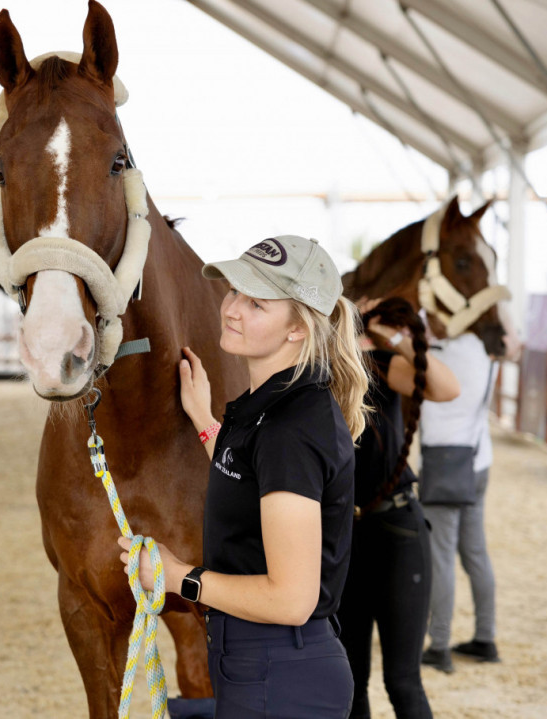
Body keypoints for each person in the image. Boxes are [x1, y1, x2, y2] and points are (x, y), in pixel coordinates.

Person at [118, 236, 369, 718]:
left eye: (256, 303)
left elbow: (292, 599)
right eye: (234, 291)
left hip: (282, 670)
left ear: (298, 328)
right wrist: (204, 420)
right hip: (262, 661)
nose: (231, 308)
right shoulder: (275, 407)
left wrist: (177, 578)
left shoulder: (291, 429)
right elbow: (252, 479)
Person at [337, 297, 460, 719]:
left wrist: (395, 339)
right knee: (350, 681)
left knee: (402, 679)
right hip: (346, 536)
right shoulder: (322, 371)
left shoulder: (382, 364)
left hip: (397, 529)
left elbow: (447, 388)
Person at [419, 332, 500, 673]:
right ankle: (485, 638)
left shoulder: (443, 352)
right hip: (479, 459)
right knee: (475, 552)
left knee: (440, 557)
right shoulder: (486, 347)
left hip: (444, 463)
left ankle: (439, 645)